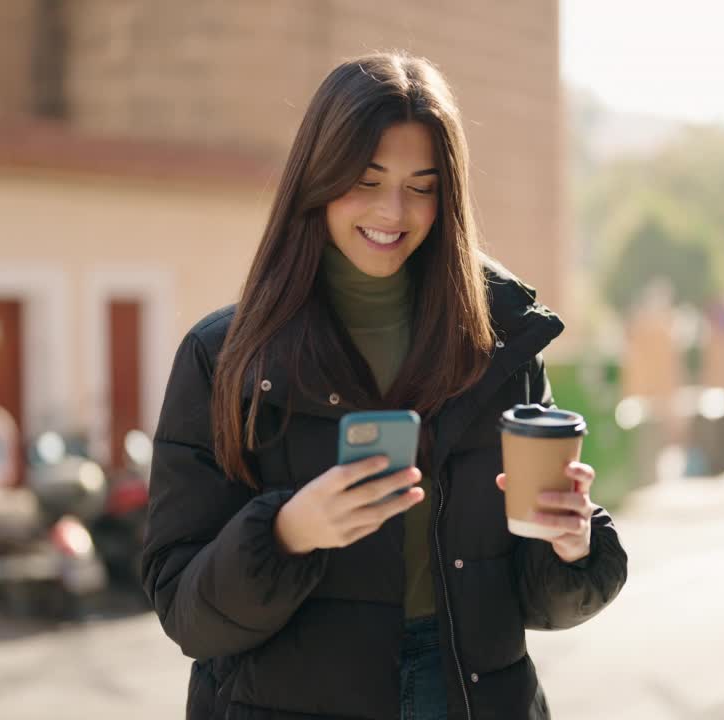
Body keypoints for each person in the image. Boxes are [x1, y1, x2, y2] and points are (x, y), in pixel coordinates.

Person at [141, 52, 628, 720]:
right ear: (319, 176)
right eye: (366, 181)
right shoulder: (224, 359)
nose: (392, 211)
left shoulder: (500, 345)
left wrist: (571, 547)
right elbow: (185, 611)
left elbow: (537, 602)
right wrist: (285, 533)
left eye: (421, 186)